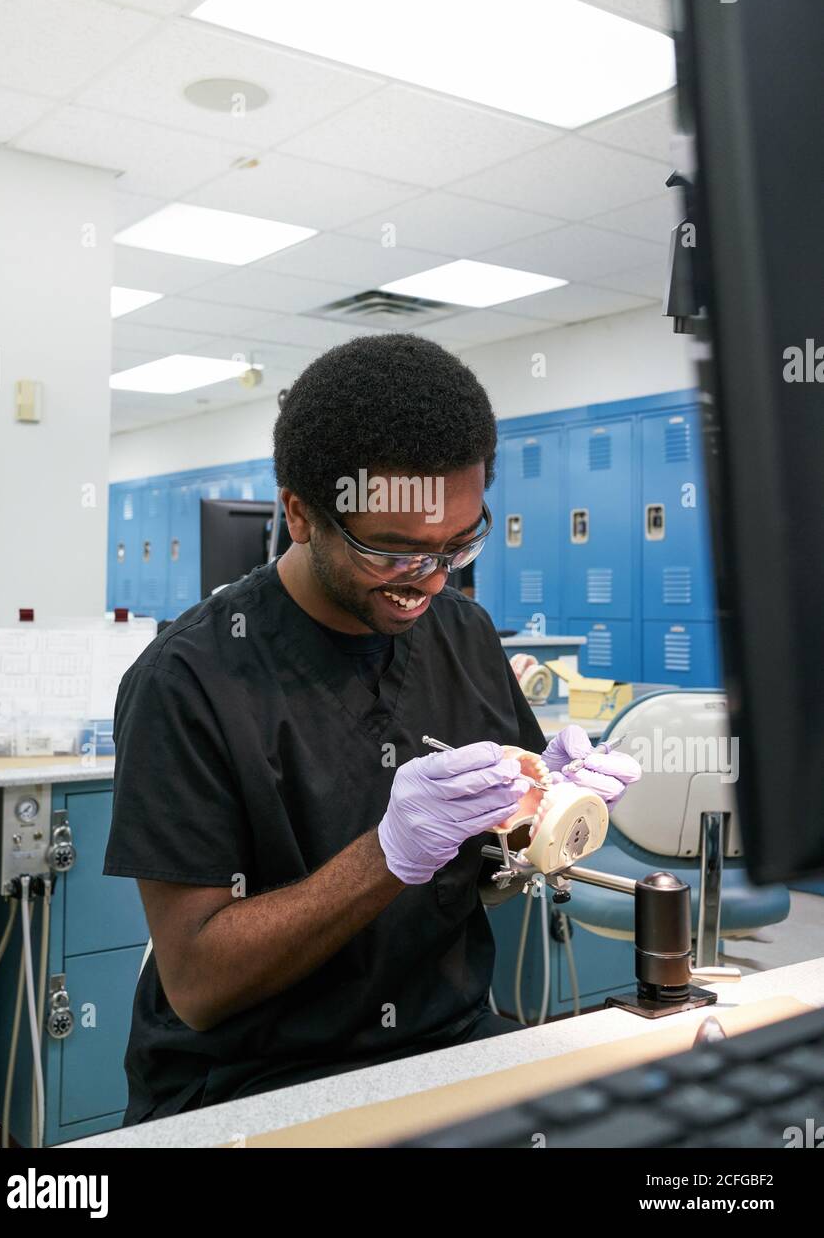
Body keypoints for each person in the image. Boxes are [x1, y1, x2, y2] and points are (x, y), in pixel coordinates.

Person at [104, 334, 638, 1124]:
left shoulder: (464, 634)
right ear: (299, 514)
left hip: (450, 1044)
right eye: (393, 550)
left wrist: (537, 820)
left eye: (459, 543)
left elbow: (483, 880)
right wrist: (386, 856)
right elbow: (199, 984)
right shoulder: (188, 682)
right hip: (254, 1084)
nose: (431, 579)